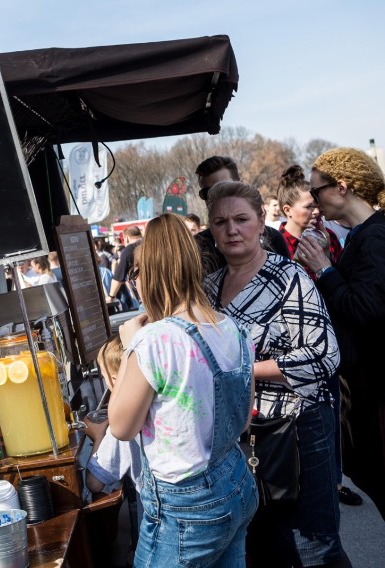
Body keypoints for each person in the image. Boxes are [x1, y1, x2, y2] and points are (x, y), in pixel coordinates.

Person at [203, 181, 351, 567]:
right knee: (265, 543)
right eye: (221, 222)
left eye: (241, 219)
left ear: (260, 222)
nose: (231, 229)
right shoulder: (208, 289)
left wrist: (245, 371)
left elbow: (324, 355)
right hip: (242, 437)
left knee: (312, 545)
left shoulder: (290, 279)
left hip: (299, 431)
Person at [108, 213, 257, 567]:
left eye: (135, 275)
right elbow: (244, 414)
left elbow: (120, 426)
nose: (133, 285)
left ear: (150, 275)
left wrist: (130, 348)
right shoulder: (233, 328)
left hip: (187, 507)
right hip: (235, 478)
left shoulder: (154, 340)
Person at [296, 147, 385, 520]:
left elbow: (367, 309)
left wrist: (325, 269)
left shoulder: (376, 236)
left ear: (342, 187)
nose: (314, 204)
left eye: (316, 193)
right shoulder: (362, 234)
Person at [193, 156, 290, 274]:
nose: (216, 195)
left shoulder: (273, 238)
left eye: (224, 187)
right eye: (206, 192)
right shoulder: (197, 247)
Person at [84, 333, 142, 496]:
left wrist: (99, 436)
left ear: (114, 379)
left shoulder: (125, 420)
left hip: (154, 512)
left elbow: (94, 483)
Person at [277, 165, 343, 279]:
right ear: (287, 210)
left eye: (317, 205)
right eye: (308, 207)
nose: (316, 211)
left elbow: (344, 277)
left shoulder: (329, 237)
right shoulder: (276, 244)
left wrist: (327, 254)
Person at [106, 226, 141, 309]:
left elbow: (119, 276)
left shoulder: (129, 250)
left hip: (146, 299)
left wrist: (111, 296)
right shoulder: (152, 244)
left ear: (127, 238)